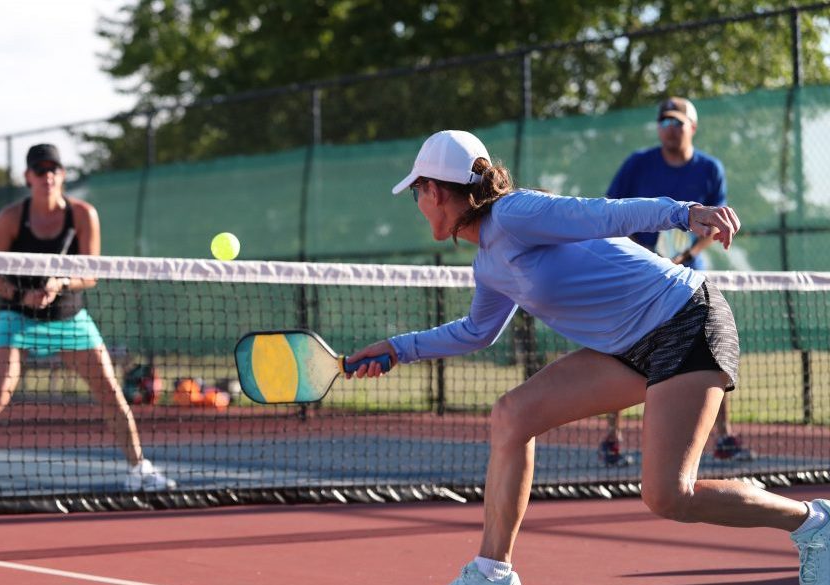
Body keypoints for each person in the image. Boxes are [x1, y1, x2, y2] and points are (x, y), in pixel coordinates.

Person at [346, 130, 828, 585]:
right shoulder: (488, 263)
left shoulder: (514, 213)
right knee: (513, 415)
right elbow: (477, 331)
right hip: (628, 346)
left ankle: (814, 523)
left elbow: (600, 214)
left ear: (434, 190)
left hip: (685, 319)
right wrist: (396, 349)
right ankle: (492, 572)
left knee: (668, 495)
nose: (417, 203)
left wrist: (684, 212)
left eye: (416, 193)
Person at [0, 144, 174, 496]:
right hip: (18, 319)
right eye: (40, 170)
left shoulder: (83, 214)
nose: (47, 176)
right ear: (28, 177)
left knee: (112, 394)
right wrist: (20, 295)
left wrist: (61, 282)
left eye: (54, 169)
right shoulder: (11, 218)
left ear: (63, 175)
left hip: (70, 318)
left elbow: (91, 273)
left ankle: (138, 469)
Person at [602, 96, 752, 466]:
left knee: (712, 351)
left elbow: (715, 222)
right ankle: (612, 439)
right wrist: (639, 258)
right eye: (664, 123)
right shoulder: (638, 164)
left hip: (688, 281)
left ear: (692, 127)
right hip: (638, 275)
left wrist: (682, 257)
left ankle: (724, 438)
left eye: (677, 123)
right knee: (620, 348)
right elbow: (609, 211)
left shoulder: (709, 169)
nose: (670, 129)